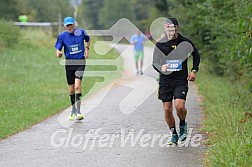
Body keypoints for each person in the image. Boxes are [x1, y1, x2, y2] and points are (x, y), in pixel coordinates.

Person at [152, 18, 200, 145]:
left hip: (180, 80)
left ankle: (183, 124)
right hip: (165, 81)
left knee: (179, 106)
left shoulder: (185, 42)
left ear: (177, 28)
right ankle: (173, 133)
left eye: (173, 28)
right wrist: (160, 67)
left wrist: (194, 70)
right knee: (167, 109)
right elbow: (155, 62)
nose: (171, 31)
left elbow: (196, 55)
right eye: (169, 28)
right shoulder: (160, 44)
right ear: (165, 28)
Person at [55, 16, 90, 120]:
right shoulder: (62, 36)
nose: (69, 26)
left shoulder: (81, 33)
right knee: (71, 89)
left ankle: (79, 112)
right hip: (69, 64)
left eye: (71, 24)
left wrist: (87, 49)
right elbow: (58, 49)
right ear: (65, 26)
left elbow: (88, 40)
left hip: (80, 62)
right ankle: (73, 110)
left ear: (74, 24)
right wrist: (59, 53)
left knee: (77, 86)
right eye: (67, 25)